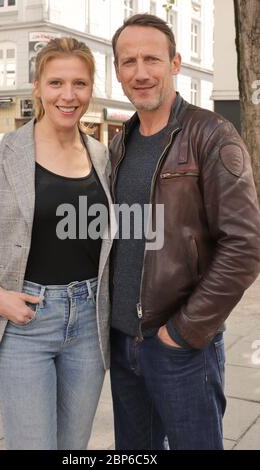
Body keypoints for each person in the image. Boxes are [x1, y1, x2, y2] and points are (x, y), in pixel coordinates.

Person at [109, 14, 260, 450]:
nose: (140, 72)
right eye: (129, 61)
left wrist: (182, 333)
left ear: (175, 63)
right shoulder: (122, 141)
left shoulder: (211, 134)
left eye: (152, 59)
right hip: (123, 341)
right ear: (117, 70)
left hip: (181, 346)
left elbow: (245, 246)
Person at [0, 37, 113, 450]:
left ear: (91, 89)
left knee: (73, 448)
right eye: (56, 83)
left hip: (89, 323)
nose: (68, 95)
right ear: (37, 87)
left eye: (79, 84)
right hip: (24, 322)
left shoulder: (102, 156)